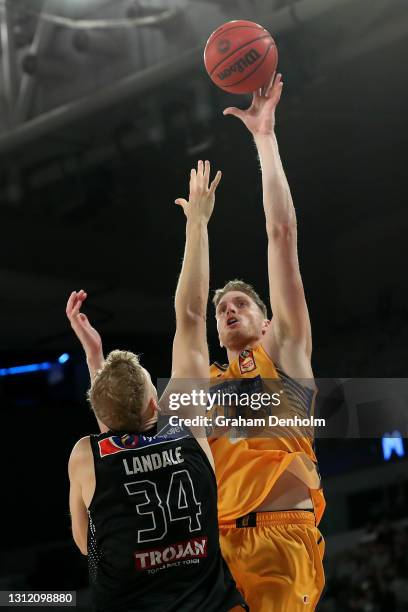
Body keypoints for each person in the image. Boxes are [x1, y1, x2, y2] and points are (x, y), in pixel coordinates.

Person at [66, 161, 247, 612]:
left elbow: (85, 541)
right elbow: (190, 318)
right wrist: (198, 224)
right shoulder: (186, 427)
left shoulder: (86, 454)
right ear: (155, 401)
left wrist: (95, 359)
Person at [211, 73, 324, 610]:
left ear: (265, 323)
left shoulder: (283, 353)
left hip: (283, 539)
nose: (229, 309)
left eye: (241, 304)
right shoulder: (204, 384)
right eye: (221, 309)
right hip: (216, 553)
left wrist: (264, 139)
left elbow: (281, 236)